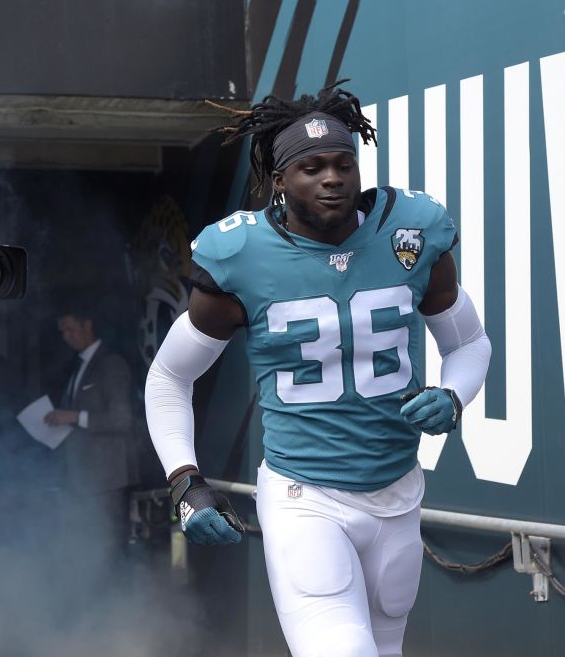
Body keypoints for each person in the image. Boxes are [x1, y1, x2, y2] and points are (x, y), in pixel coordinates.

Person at [144, 80, 492, 657]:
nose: (331, 178)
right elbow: (170, 378)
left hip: (400, 492)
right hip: (306, 497)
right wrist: (186, 481)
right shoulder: (242, 255)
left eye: (342, 163)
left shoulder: (410, 231)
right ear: (279, 181)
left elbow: (470, 344)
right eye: (311, 168)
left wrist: (453, 395)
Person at [46, 304, 138, 627]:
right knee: (85, 552)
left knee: (110, 555)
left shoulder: (110, 365)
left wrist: (73, 417)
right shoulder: (78, 367)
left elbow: (122, 419)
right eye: (62, 332)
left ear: (88, 324)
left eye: (70, 329)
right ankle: (91, 622)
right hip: (81, 479)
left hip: (106, 480)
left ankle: (117, 625)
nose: (66, 337)